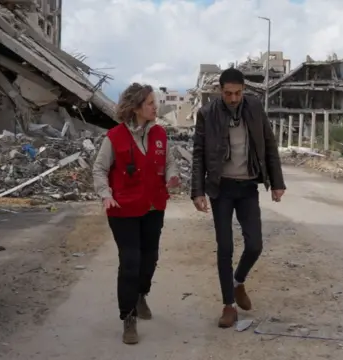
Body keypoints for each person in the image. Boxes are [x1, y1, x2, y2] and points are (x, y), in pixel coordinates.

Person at [190, 67, 286, 328]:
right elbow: (198, 153)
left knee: (255, 244)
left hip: (247, 188)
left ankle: (237, 282)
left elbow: (269, 145)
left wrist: (277, 183)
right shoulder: (207, 114)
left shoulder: (254, 108)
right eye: (228, 93)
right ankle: (228, 305)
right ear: (220, 92)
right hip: (221, 189)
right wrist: (197, 191)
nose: (233, 98)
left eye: (237, 93)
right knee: (225, 248)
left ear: (244, 90)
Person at [93, 83, 180, 345]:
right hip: (123, 209)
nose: (156, 107)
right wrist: (105, 194)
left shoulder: (160, 135)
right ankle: (128, 316)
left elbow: (170, 162)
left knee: (149, 258)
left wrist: (172, 176)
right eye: (151, 103)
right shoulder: (114, 137)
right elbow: (99, 168)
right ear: (136, 107)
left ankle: (142, 294)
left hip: (153, 206)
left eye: (155, 102)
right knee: (130, 261)